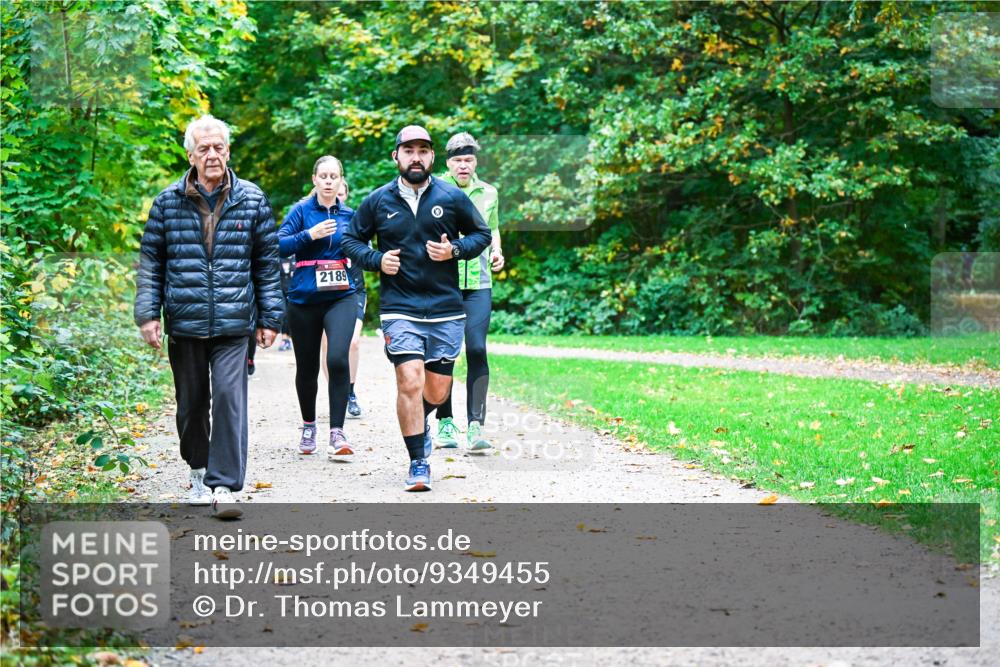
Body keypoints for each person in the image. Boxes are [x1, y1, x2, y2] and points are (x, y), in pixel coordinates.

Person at [134, 114, 282, 519]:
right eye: (204, 148)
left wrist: (271, 317)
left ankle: (223, 485)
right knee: (192, 405)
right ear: (190, 155)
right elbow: (151, 262)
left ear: (228, 151)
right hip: (185, 321)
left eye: (219, 147)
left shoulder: (252, 199)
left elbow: (266, 263)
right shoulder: (167, 202)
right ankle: (198, 469)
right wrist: (148, 315)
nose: (213, 154)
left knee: (231, 400)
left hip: (236, 322)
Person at [342, 125, 491, 491]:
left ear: (432, 157)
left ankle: (419, 423)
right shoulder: (378, 201)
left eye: (423, 150)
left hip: (446, 307)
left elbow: (481, 234)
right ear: (396, 156)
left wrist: (453, 251)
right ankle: (418, 462)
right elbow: (350, 239)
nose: (416, 157)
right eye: (408, 150)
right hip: (400, 306)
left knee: (437, 392)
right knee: (409, 380)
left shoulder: (451, 197)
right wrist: (376, 259)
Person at [277, 155, 358, 460]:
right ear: (314, 180)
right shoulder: (301, 211)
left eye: (333, 176)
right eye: (322, 176)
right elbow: (278, 244)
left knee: (337, 357)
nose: (328, 181)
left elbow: (361, 248)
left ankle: (337, 433)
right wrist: (309, 235)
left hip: (341, 295)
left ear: (340, 181)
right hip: (304, 298)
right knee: (307, 367)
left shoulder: (349, 214)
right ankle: (309, 424)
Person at [433, 133, 504, 452]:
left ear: (475, 161)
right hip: (442, 283)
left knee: (476, 349)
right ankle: (445, 423)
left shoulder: (489, 192)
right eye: (458, 160)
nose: (464, 165)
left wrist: (497, 251)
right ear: (448, 162)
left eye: (469, 160)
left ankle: (476, 425)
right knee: (444, 353)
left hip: (479, 283)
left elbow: (493, 229)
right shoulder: (434, 189)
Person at [320, 178, 366, 418]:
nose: (337, 193)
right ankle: (335, 389)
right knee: (328, 345)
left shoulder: (354, 220)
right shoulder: (316, 218)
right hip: (326, 292)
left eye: (342, 191)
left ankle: (350, 391)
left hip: (355, 289)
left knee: (353, 342)